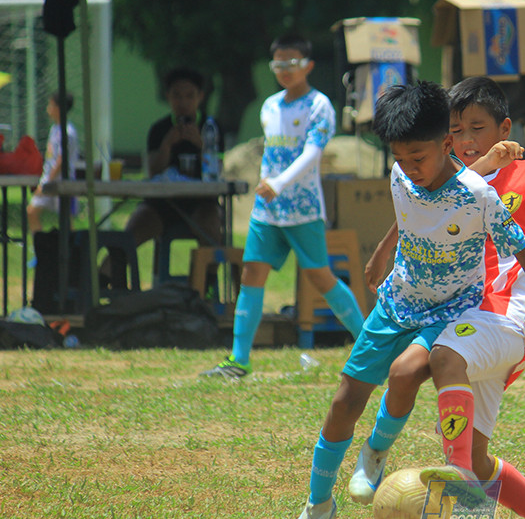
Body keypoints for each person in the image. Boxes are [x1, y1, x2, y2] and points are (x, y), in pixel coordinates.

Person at [282, 80, 525, 519]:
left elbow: (524, 247)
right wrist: (382, 253)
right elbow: (411, 213)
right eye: (399, 159)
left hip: (451, 310)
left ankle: (375, 454)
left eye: (418, 157)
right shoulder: (403, 176)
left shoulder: (478, 195)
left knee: (406, 372)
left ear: (445, 144)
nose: (409, 169)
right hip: (399, 301)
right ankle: (316, 508)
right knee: (343, 402)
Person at [347, 76, 525, 519]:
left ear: (503, 127)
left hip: (509, 311)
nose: (466, 140)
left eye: (477, 128)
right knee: (476, 450)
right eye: (456, 129)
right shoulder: (437, 175)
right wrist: (385, 250)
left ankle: (451, 490)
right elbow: (411, 214)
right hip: (465, 316)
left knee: (440, 360)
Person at [202, 33, 365, 379]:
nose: (285, 70)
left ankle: (368, 346)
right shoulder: (270, 106)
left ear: (308, 65)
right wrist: (269, 186)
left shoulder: (319, 105)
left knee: (321, 277)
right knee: (251, 274)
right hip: (267, 211)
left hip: (302, 208)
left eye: (292, 63)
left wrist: (279, 183)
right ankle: (239, 360)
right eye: (278, 64)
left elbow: (312, 153)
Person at [116, 68, 222, 281]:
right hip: (161, 204)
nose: (183, 102)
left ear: (200, 97)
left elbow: (218, 171)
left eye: (189, 96)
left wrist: (201, 145)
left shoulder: (210, 128)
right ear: (168, 97)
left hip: (201, 203)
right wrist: (167, 145)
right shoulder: (159, 129)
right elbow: (153, 171)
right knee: (130, 233)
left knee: (212, 230)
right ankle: (110, 280)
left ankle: (204, 286)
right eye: (176, 95)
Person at [27, 92, 81, 234]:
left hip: (61, 180)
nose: (48, 108)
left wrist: (47, 183)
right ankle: (40, 250)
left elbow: (62, 160)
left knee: (66, 220)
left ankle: (72, 251)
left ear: (59, 108)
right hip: (49, 178)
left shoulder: (68, 132)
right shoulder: (54, 128)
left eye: (51, 105)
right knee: (32, 211)